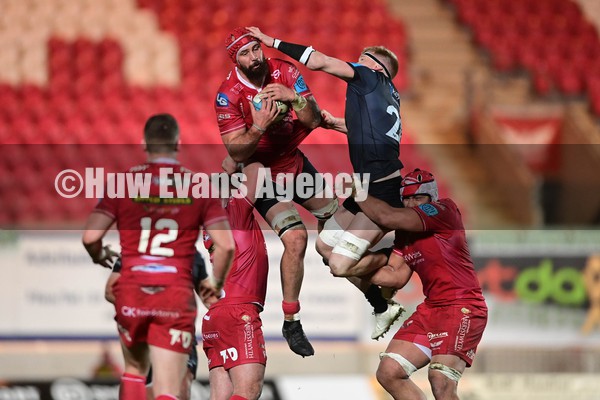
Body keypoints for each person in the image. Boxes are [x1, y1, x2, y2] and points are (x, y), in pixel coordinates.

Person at [247, 27, 405, 340]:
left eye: (362, 59)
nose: (355, 63)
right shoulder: (390, 94)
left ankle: (401, 256)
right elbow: (378, 136)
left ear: (375, 65)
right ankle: (383, 306)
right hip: (367, 187)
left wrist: (272, 42)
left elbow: (318, 61)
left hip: (381, 192)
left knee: (339, 264)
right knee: (323, 244)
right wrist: (338, 125)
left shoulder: (367, 76)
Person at [82, 113, 235, 400]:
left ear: (144, 143)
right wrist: (215, 282)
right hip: (174, 294)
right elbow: (225, 246)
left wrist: (99, 254)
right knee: (169, 389)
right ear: (178, 143)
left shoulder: (123, 183)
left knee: (135, 371)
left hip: (132, 289)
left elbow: (90, 237)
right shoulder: (198, 186)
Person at [215, 27, 340, 356]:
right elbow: (238, 153)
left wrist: (295, 98)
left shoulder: (285, 70)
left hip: (295, 164)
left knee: (338, 220)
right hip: (263, 175)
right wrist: (259, 125)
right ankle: (291, 320)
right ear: (235, 59)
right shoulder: (227, 95)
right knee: (296, 238)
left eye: (256, 49)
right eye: (245, 53)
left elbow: (312, 121)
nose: (255, 57)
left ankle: (355, 278)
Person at [353, 168, 488, 400]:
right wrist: (350, 267)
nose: (412, 203)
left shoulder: (444, 210)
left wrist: (358, 193)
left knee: (441, 380)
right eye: (406, 198)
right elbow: (395, 276)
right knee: (389, 372)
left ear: (430, 198)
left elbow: (387, 217)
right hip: (432, 309)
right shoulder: (406, 235)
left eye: (418, 198)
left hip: (462, 306)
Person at [201, 158, 271, 400]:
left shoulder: (208, 228)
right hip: (238, 313)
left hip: (216, 318)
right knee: (248, 391)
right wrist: (236, 163)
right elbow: (258, 170)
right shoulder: (235, 211)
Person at [104, 252, 209, 400]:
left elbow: (209, 297)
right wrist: (146, 309)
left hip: (177, 329)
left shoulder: (192, 253)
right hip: (148, 330)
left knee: (179, 387)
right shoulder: (138, 247)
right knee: (149, 383)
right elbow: (110, 290)